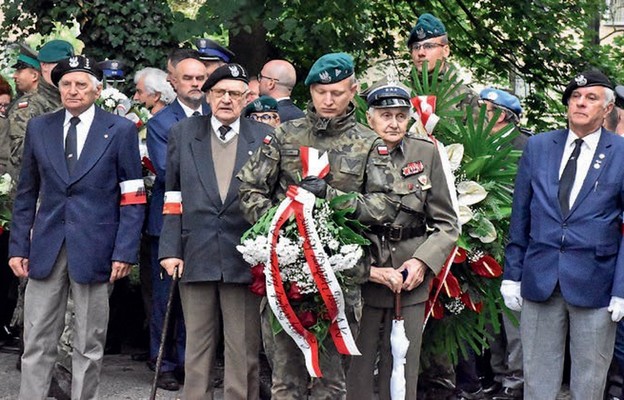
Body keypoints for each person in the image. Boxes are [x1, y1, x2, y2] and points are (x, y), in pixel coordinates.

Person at [238, 52, 401, 399]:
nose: (328, 100)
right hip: (285, 277)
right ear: (309, 92)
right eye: (320, 92)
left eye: (337, 93)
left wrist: (333, 198)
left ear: (353, 91)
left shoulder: (369, 143)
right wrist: (278, 231)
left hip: (339, 280)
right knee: (286, 382)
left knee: (331, 384)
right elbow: (250, 189)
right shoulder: (284, 136)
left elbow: (386, 206)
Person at [8, 54, 145, 400]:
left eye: (81, 84)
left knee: (88, 342)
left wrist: (125, 251)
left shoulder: (121, 130)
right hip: (46, 247)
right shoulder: (41, 127)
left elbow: (132, 197)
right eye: (66, 83)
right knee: (36, 339)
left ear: (97, 90)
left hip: (97, 248)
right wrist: (18, 247)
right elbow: (26, 192)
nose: (73, 90)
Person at [502, 69, 624, 400]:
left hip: (596, 283)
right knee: (537, 383)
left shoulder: (621, 152)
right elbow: (521, 215)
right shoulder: (539, 146)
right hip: (540, 279)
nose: (581, 103)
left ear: (607, 108)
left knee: (589, 383)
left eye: (591, 98)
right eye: (575, 97)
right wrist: (511, 275)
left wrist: (622, 289)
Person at [159, 62, 271, 400]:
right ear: (208, 96)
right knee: (197, 350)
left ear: (246, 99)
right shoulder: (183, 133)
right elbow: (172, 196)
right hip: (195, 252)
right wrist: (169, 248)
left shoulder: (264, 137)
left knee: (243, 351)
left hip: (245, 256)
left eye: (235, 94)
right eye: (220, 92)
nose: (227, 100)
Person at [346, 80, 458, 400]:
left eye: (400, 115)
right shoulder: (352, 154)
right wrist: (365, 268)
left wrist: (422, 262)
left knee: (403, 369)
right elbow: (337, 219)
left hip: (410, 276)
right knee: (358, 369)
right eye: (385, 115)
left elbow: (448, 223)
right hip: (364, 273)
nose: (394, 122)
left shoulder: (425, 153)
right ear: (370, 118)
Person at [146, 50, 208, 391]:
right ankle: (164, 362)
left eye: (201, 78)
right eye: (189, 78)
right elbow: (168, 171)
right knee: (164, 297)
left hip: (204, 223)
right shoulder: (160, 123)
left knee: (196, 297)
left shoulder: (216, 115)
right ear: (174, 81)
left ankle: (190, 362)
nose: (196, 84)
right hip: (168, 220)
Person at [476, 87, 528, 400]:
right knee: (487, 317)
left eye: (487, 109)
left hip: (514, 243)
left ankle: (516, 381)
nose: (479, 114)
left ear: (504, 116)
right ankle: (495, 377)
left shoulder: (526, 145)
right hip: (482, 243)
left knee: (513, 317)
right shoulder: (476, 143)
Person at [407, 13, 479, 114]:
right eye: (416, 47)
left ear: (445, 51)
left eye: (429, 46)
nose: (421, 53)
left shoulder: (466, 98)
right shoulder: (401, 92)